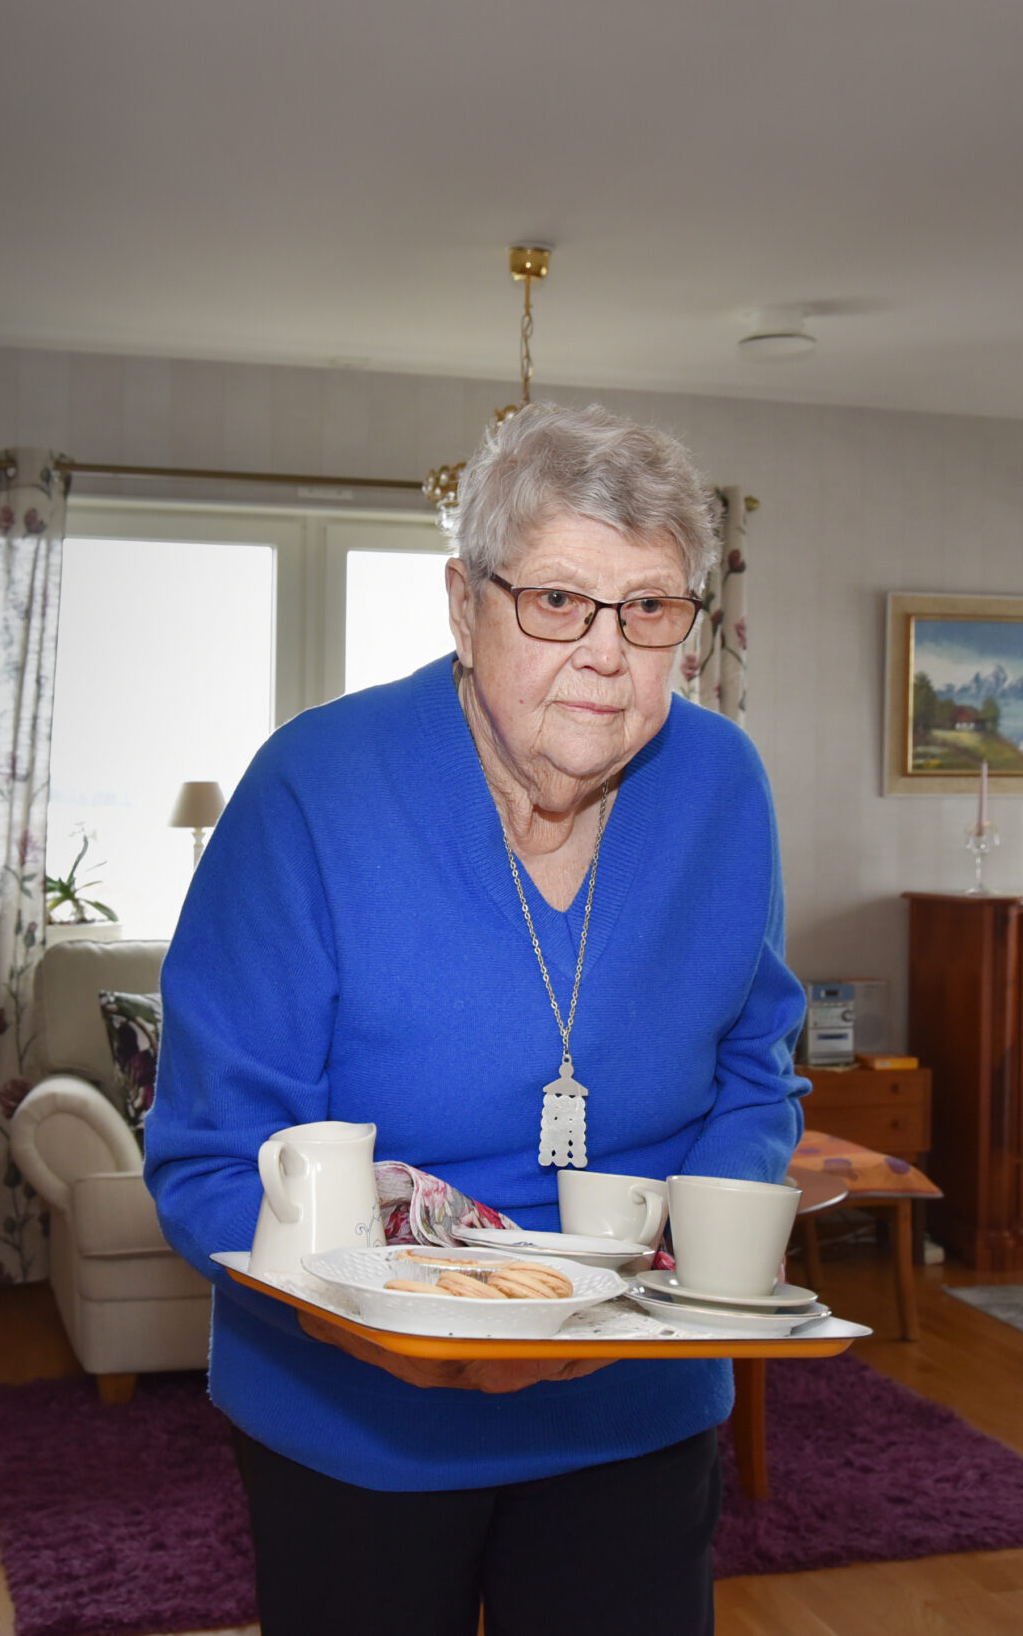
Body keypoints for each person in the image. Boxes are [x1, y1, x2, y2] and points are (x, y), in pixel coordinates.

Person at [145, 401, 807, 1636]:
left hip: (637, 1401)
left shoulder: (721, 785)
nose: (608, 652)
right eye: (556, 600)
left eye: (651, 607)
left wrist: (686, 1265)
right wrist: (399, 1321)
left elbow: (754, 1077)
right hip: (356, 1421)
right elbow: (207, 1156)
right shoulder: (312, 785)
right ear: (464, 603)